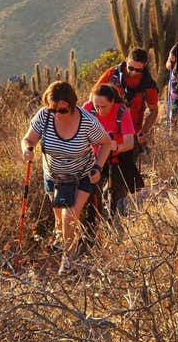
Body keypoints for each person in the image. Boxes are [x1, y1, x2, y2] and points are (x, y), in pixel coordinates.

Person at [21, 81, 114, 275]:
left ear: (71, 106)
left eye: (62, 110)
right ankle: (66, 246)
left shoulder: (87, 122)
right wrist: (27, 149)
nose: (56, 114)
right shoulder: (44, 116)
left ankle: (68, 261)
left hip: (82, 174)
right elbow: (28, 139)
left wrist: (98, 167)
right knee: (60, 222)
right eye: (52, 109)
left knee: (69, 216)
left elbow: (106, 143)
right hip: (53, 176)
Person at [83, 84, 143, 218]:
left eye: (103, 106)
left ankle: (115, 221)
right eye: (96, 106)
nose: (98, 110)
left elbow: (129, 143)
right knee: (90, 193)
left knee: (116, 193)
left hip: (117, 157)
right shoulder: (87, 108)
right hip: (94, 157)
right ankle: (93, 222)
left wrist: (115, 146)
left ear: (112, 101)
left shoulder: (121, 111)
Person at [95, 48, 159, 157]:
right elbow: (94, 95)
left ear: (144, 66)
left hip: (130, 136)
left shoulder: (148, 84)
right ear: (126, 60)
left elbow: (154, 110)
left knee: (127, 171)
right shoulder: (112, 74)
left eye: (138, 70)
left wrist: (143, 131)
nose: (133, 72)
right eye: (131, 67)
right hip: (107, 133)